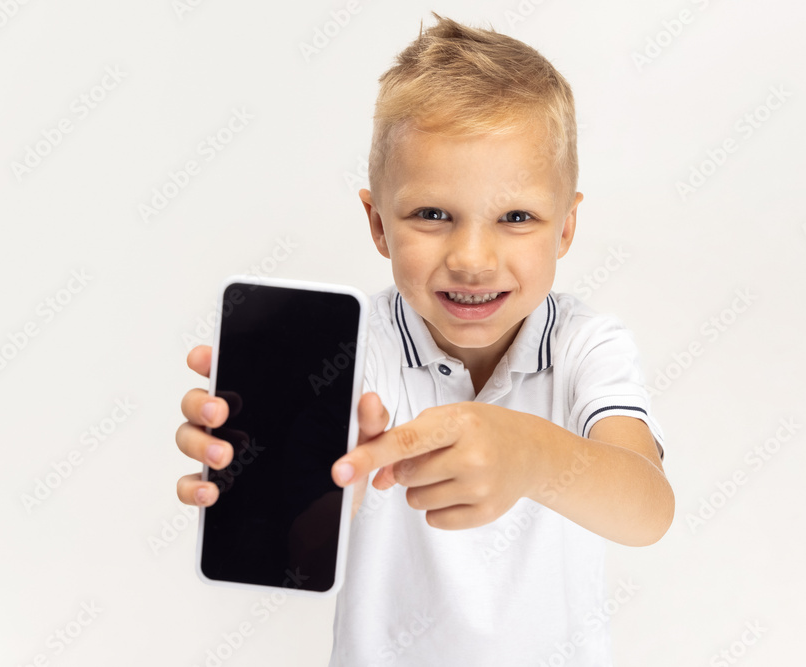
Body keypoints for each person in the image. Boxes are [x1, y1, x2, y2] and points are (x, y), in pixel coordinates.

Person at [176, 13, 674, 665]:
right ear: (378, 223)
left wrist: (532, 454)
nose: (472, 257)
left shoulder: (587, 344)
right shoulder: (356, 353)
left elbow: (649, 509)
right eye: (432, 215)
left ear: (566, 227)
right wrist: (285, 485)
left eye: (516, 216)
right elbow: (291, 549)